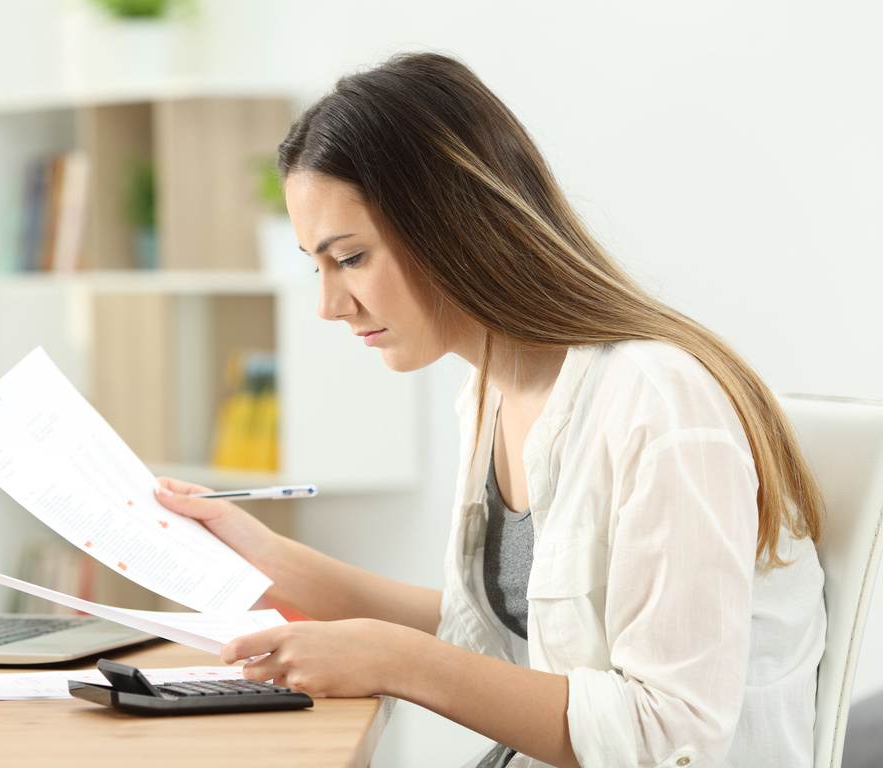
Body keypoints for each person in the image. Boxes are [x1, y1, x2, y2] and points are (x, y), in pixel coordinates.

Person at [154, 52, 826, 768]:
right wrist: (269, 560)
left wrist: (391, 660)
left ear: (451, 224)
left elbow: (668, 735)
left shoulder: (657, 405)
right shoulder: (491, 392)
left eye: (349, 258)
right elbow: (487, 634)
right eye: (316, 265)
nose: (328, 305)